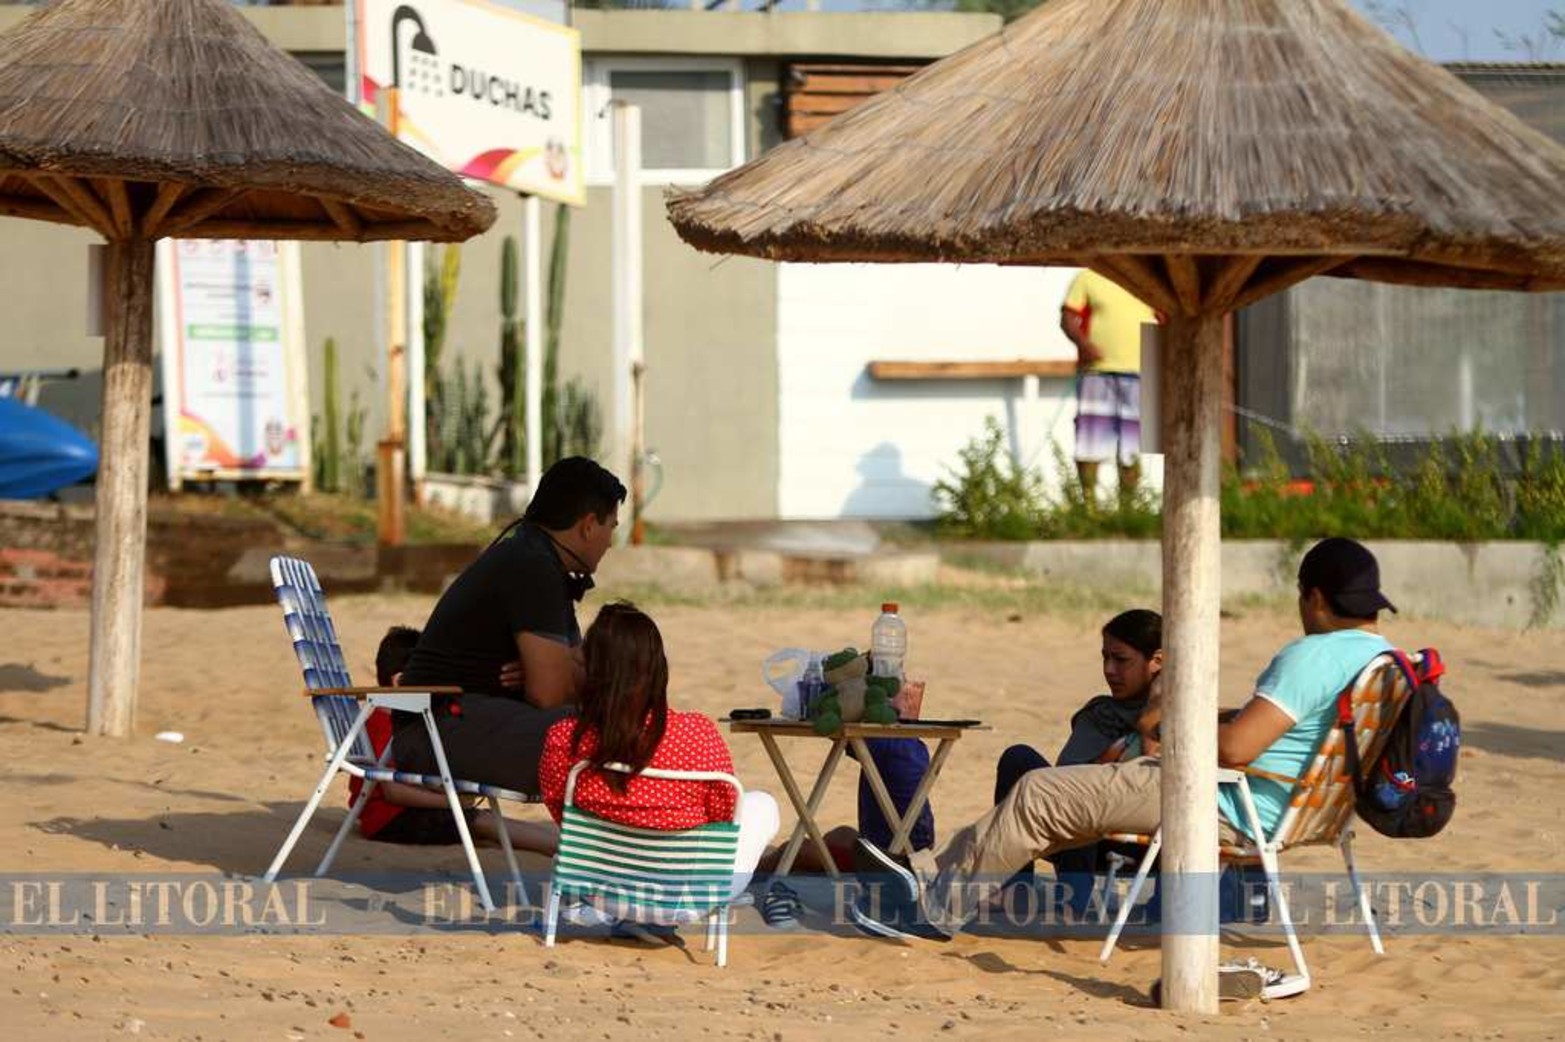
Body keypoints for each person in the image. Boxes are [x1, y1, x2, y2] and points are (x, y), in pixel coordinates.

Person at [853, 537, 1397, 999]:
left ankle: (931, 910)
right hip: (1301, 811)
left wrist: (1168, 726)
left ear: (1314, 597)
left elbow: (1233, 749)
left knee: (1037, 791)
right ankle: (927, 877)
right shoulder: (1384, 661)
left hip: (1224, 801)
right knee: (1044, 788)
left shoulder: (1312, 656)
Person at [393, 456, 626, 796]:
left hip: (460, 721)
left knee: (620, 724)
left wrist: (555, 670)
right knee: (606, 736)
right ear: (589, 525)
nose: (608, 542)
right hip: (434, 735)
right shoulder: (532, 567)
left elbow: (572, 668)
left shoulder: (537, 556)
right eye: (611, 528)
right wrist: (556, 670)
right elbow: (549, 692)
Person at [537, 602, 780, 913]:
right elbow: (722, 818)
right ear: (657, 671)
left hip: (600, 889)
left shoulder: (563, 740)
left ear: (593, 672)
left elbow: (564, 818)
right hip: (687, 898)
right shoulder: (697, 734)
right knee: (762, 804)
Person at [991, 609, 1163, 899]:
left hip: (1151, 841)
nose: (1109, 670)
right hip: (1085, 839)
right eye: (1105, 658)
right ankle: (1015, 891)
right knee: (1021, 759)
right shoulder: (1101, 714)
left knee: (1090, 788)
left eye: (1121, 660)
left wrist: (1159, 701)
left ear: (1157, 661)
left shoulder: (1184, 714)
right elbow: (1063, 782)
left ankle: (1072, 905)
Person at [350, 626, 559, 854]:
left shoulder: (396, 723)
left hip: (404, 811)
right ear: (400, 682)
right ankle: (562, 851)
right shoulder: (382, 725)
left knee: (483, 819)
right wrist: (452, 802)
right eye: (429, 679)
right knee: (481, 820)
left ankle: (562, 845)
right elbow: (393, 792)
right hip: (391, 821)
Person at [1059, 270, 1161, 505]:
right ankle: (1089, 505)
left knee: (1132, 446)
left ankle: (1129, 508)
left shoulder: (1149, 279)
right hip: (1097, 371)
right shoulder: (1087, 277)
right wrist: (1084, 345)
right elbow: (1067, 317)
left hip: (1141, 373)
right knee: (1089, 442)